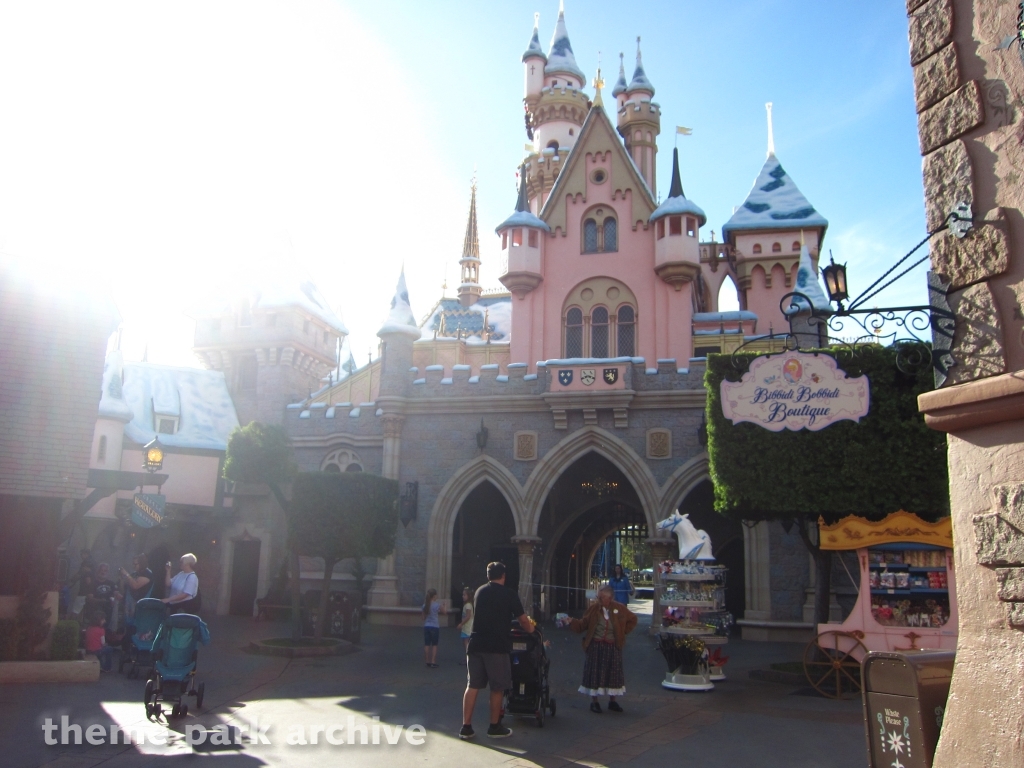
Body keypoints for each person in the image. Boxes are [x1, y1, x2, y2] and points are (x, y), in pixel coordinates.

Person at [461, 562, 535, 741]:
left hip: (476, 644)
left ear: (488, 576)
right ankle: (494, 726)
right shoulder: (509, 594)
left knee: (472, 685)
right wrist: (532, 629)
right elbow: (523, 620)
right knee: (497, 687)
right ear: (503, 576)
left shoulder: (479, 591)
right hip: (496, 646)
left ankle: (466, 727)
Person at [570, 584, 638, 713]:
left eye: (602, 598)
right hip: (596, 646)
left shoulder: (620, 609)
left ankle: (613, 701)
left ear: (610, 598)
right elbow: (582, 625)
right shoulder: (593, 609)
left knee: (613, 674)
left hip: (613, 646)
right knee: (595, 674)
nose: (599, 600)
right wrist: (571, 621)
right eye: (598, 597)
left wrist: (622, 632)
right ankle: (594, 702)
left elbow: (633, 619)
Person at [422, 588, 446, 667]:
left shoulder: (425, 605)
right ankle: (433, 661)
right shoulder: (437, 605)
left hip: (427, 626)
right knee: (434, 644)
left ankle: (427, 661)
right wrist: (444, 606)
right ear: (434, 596)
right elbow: (444, 612)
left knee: (427, 644)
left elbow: (423, 618)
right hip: (435, 626)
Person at [456, 587, 474, 653]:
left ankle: (468, 659)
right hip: (465, 628)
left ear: (468, 596)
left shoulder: (468, 605)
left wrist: (461, 624)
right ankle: (466, 658)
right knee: (464, 643)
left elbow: (468, 616)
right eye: (462, 595)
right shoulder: (466, 605)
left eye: (464, 595)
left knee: (466, 644)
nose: (462, 596)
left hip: (468, 628)